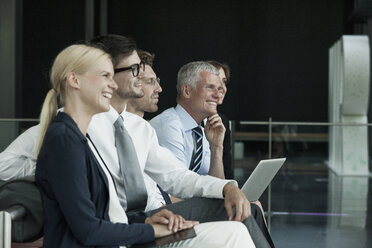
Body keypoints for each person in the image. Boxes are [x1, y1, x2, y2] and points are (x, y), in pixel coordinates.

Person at [0, 34, 272, 247]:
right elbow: (88, 223)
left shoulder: (138, 128)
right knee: (235, 229)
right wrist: (51, 170)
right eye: (133, 69)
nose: (140, 76)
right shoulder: (70, 130)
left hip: (142, 218)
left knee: (242, 210)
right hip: (125, 229)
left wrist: (227, 187)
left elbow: (175, 176)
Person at [150, 61, 274, 247]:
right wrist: (226, 193)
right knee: (239, 208)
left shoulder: (204, 128)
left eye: (220, 88)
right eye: (210, 88)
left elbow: (216, 182)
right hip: (166, 208)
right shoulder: (169, 125)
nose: (218, 94)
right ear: (187, 91)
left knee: (251, 206)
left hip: (190, 202)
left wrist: (216, 147)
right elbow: (175, 187)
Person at [206, 60, 233, 179]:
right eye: (214, 82)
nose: (222, 88)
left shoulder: (223, 121)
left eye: (224, 81)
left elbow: (227, 173)